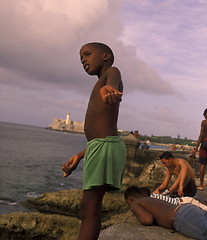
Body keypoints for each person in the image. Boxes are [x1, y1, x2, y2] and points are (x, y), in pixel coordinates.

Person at [61, 42, 126, 240]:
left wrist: (110, 87)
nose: (83, 60)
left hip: (105, 146)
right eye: (81, 57)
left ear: (105, 56)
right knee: (92, 208)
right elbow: (99, 136)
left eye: (87, 54)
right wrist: (79, 156)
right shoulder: (99, 83)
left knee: (87, 208)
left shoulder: (111, 73)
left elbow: (114, 78)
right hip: (99, 146)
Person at [124, 186, 207, 240]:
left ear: (130, 199)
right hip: (190, 208)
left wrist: (135, 212)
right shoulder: (151, 198)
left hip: (181, 217)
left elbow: (147, 220)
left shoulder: (136, 203)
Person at [138, 186, 207, 218]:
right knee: (204, 206)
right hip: (184, 201)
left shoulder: (152, 200)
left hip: (185, 202)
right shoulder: (154, 196)